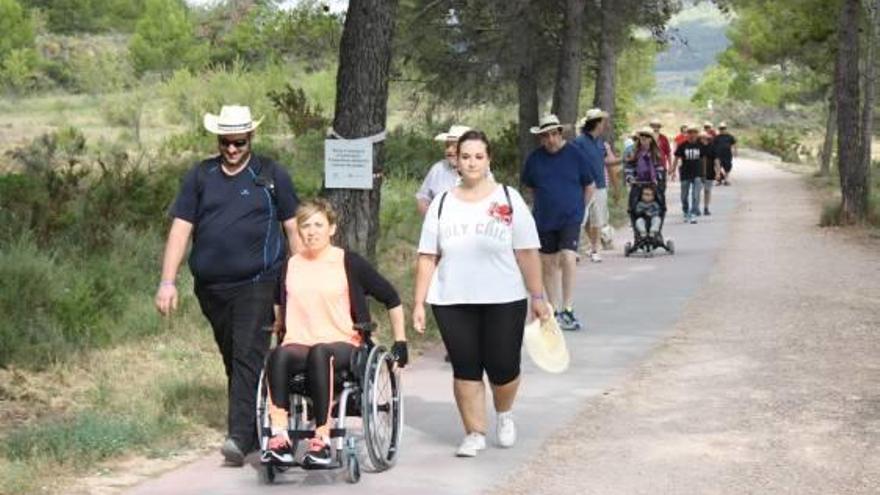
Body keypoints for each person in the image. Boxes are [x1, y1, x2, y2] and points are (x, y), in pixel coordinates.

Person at [155, 105, 300, 466]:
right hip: (211, 288)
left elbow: (293, 228)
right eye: (226, 142)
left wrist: (298, 281)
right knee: (233, 355)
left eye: (239, 142)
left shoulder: (269, 174)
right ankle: (257, 417)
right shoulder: (201, 175)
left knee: (247, 353)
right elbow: (180, 229)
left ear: (250, 138)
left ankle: (238, 437)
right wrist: (167, 281)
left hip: (258, 280)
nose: (232, 149)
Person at [414, 130, 550, 458]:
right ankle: (474, 432)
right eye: (465, 157)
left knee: (503, 367)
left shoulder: (507, 197)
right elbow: (427, 255)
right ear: (456, 161)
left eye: (478, 156)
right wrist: (419, 302)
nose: (471, 162)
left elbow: (528, 252)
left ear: (488, 159)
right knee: (466, 367)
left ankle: (504, 413)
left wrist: (538, 297)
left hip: (504, 296)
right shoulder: (443, 203)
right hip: (452, 298)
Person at [264, 199, 407, 466]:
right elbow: (279, 300)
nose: (311, 231)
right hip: (299, 341)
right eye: (305, 225)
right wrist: (279, 325)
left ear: (332, 228)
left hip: (343, 341)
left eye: (318, 224)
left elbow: (391, 298)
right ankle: (280, 436)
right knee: (278, 355)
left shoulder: (347, 262)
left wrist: (401, 341)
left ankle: (322, 439)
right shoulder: (290, 265)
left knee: (321, 352)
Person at [522, 115, 594, 331]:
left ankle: (568, 307)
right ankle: (554, 310)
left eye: (554, 134)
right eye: (546, 136)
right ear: (541, 138)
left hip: (571, 216)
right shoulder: (534, 159)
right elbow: (531, 187)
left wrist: (581, 210)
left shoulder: (575, 154)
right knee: (548, 264)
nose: (551, 139)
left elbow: (589, 185)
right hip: (544, 218)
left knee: (568, 257)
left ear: (560, 133)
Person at [573, 108, 613, 263]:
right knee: (580, 219)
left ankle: (595, 250)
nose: (604, 124)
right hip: (583, 186)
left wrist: (625, 160)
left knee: (597, 221)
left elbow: (605, 161)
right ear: (596, 123)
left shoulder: (600, 142)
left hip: (600, 185)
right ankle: (574, 250)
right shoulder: (579, 142)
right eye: (602, 121)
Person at [416, 125, 472, 215]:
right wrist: (431, 220)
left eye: (454, 146)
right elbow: (423, 197)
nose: (449, 150)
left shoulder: (481, 172)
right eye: (447, 146)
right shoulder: (438, 169)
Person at [671, 124, 706, 224]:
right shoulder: (682, 145)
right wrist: (673, 171)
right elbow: (676, 158)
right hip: (685, 173)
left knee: (696, 195)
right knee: (684, 196)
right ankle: (686, 211)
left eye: (694, 132)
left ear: (697, 134)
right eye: (690, 132)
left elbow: (703, 159)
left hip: (697, 173)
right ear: (687, 134)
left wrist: (704, 174)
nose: (692, 134)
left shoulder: (701, 145)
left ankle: (693, 214)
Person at [699, 132, 720, 216]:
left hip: (710, 172)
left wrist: (718, 173)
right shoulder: (697, 147)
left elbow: (717, 161)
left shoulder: (712, 148)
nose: (704, 139)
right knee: (696, 192)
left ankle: (706, 207)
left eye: (706, 138)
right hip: (698, 173)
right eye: (702, 138)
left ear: (708, 139)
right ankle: (695, 207)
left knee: (707, 191)